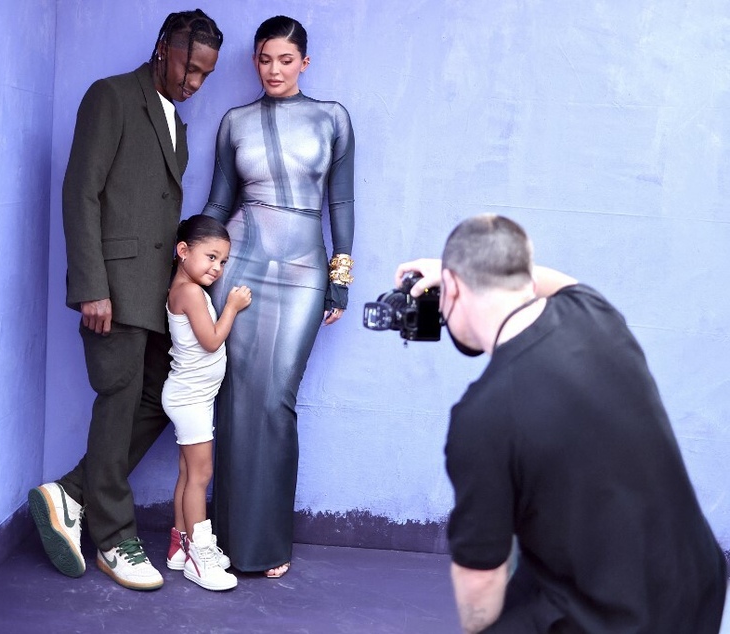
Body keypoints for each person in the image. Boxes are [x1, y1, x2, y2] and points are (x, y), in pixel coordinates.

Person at [394, 214, 728, 633]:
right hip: (697, 585)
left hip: (613, 620)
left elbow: (480, 578)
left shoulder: (481, 416)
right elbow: (560, 283)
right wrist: (482, 264)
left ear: (454, 287)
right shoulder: (594, 314)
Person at [27, 10, 223, 592]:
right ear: (164, 47)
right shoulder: (111, 97)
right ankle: (115, 538)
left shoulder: (176, 123)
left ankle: (71, 492)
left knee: (155, 399)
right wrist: (91, 285)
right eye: (190, 67)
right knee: (117, 398)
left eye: (205, 76)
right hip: (112, 287)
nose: (193, 83)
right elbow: (80, 190)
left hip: (155, 296)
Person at [201, 15, 355, 578]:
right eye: (265, 59)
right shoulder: (235, 121)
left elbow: (341, 204)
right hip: (240, 260)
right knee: (235, 397)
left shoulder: (332, 118)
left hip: (303, 267)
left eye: (286, 60)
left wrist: (340, 275)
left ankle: (267, 543)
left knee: (275, 399)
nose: (274, 70)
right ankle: (226, 541)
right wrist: (192, 270)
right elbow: (219, 203)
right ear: (255, 61)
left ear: (305, 63)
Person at [161, 215, 251, 591]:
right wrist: (231, 306)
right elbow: (212, 340)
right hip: (191, 399)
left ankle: (179, 548)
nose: (217, 267)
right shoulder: (191, 293)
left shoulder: (185, 287)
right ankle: (201, 556)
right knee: (200, 476)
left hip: (190, 396)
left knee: (187, 474)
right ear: (183, 252)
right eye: (210, 257)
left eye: (223, 261)